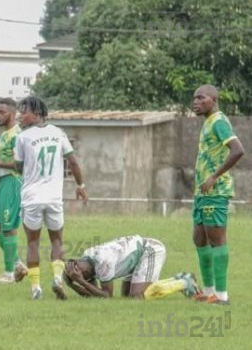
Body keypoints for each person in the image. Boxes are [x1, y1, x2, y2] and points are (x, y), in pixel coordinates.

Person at [13, 96, 88, 300]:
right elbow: (72, 162)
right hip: (54, 198)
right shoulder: (58, 133)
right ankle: (56, 278)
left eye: (24, 111)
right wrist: (80, 186)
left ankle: (36, 287)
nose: (20, 115)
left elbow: (19, 167)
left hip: (31, 197)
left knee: (32, 244)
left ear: (37, 114)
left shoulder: (23, 137)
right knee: (57, 240)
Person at [190, 85, 245, 305]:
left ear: (213, 100)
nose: (195, 102)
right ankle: (209, 290)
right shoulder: (208, 122)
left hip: (216, 191)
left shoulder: (219, 121)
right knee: (199, 238)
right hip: (201, 193)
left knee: (216, 239)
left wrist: (214, 176)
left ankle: (222, 296)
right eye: (194, 98)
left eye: (200, 98)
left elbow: (238, 149)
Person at [63, 235, 201, 299]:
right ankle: (177, 278)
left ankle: (184, 283)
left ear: (84, 271)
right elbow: (94, 295)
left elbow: (106, 296)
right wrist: (72, 285)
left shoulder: (102, 262)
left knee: (137, 297)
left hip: (150, 250)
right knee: (126, 299)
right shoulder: (86, 258)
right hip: (134, 259)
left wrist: (80, 281)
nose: (86, 280)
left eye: (83, 277)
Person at [0, 98, 27, 283]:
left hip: (12, 183)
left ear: (11, 113)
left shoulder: (18, 135)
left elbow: (21, 164)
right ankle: (18, 263)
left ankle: (9, 273)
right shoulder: (4, 135)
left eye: (1, 112)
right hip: (1, 183)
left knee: (9, 228)